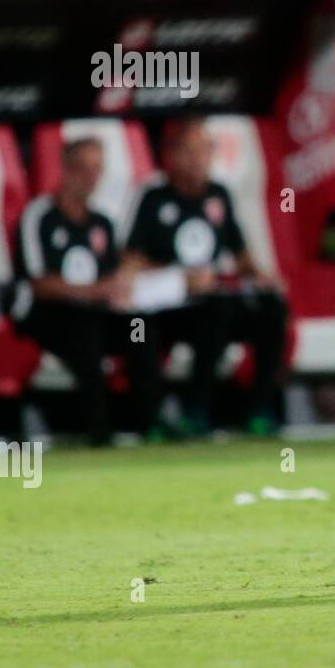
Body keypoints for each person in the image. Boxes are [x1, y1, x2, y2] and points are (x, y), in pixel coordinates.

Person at [122, 117, 288, 436]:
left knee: (272, 308)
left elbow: (239, 253)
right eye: (191, 151)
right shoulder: (153, 196)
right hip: (170, 306)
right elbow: (129, 260)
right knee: (212, 312)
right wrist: (180, 277)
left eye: (206, 151)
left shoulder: (218, 195)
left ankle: (258, 407)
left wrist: (261, 275)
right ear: (172, 155)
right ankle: (194, 410)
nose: (200, 159)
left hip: (212, 297)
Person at [12, 137, 161, 445]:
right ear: (65, 170)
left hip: (95, 313)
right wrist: (96, 291)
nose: (90, 177)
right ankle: (99, 431)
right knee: (84, 331)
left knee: (140, 329)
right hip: (44, 315)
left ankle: (150, 425)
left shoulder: (102, 224)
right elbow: (39, 284)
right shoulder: (39, 216)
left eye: (97, 169)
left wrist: (122, 286)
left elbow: (111, 276)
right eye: (83, 168)